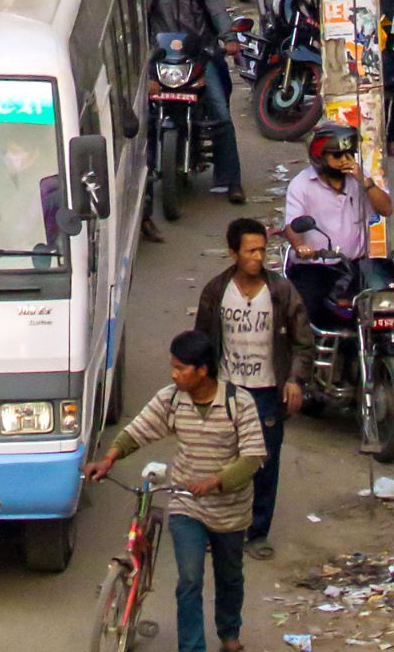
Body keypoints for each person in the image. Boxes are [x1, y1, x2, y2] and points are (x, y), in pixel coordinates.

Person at [85, 328, 265, 652]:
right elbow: (138, 430)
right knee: (190, 580)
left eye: (181, 368)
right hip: (186, 504)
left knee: (230, 578)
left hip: (230, 511)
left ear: (202, 371)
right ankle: (192, 647)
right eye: (173, 366)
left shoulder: (239, 404)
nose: (174, 374)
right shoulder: (171, 399)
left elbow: (253, 458)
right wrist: (109, 459)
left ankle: (229, 633)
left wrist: (215, 481)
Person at [194, 216, 312, 558]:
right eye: (250, 251)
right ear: (233, 253)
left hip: (266, 393)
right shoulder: (216, 293)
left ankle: (257, 532)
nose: (258, 258)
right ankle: (216, 530)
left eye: (262, 250)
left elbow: (304, 341)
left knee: (263, 464)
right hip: (227, 392)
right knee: (220, 462)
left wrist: (294, 380)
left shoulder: (281, 291)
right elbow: (201, 343)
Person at [147, 0, 244, 202]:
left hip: (201, 55)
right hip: (162, 57)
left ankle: (231, 181)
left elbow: (217, 10)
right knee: (143, 113)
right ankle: (143, 174)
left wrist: (229, 38)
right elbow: (139, 11)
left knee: (221, 113)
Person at [282, 120, 393, 329]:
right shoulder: (301, 184)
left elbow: (386, 209)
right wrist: (301, 247)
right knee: (308, 314)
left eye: (349, 154)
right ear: (320, 156)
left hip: (355, 265)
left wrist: (366, 182)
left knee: (384, 303)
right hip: (316, 267)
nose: (345, 161)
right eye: (338, 156)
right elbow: (292, 226)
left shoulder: (358, 181)